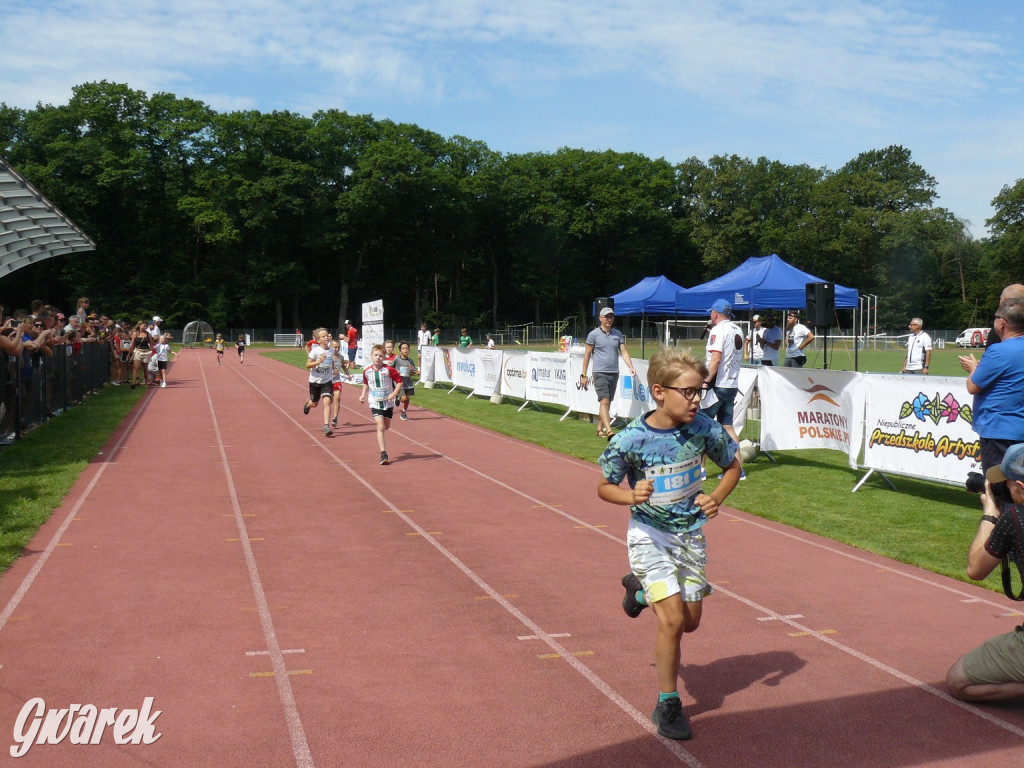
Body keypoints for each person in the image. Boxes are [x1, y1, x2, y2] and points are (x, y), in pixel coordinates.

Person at [597, 346, 741, 740]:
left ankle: (639, 594)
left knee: (690, 623)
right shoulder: (631, 440)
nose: (697, 399)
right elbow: (603, 487)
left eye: (700, 392)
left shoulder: (705, 429)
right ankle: (668, 702)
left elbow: (732, 466)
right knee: (673, 620)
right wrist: (630, 496)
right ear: (660, 392)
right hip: (648, 535)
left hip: (690, 536)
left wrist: (717, 497)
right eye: (688, 392)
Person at [946, 443, 1024, 702]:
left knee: (958, 680)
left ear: (1019, 487)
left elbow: (975, 569)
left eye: (1007, 483)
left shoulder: (1015, 517)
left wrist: (991, 514)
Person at [958, 298, 1024, 506]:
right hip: (1018, 429)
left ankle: (1003, 535)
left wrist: (974, 368)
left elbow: (973, 386)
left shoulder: (998, 351)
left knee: (1000, 495)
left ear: (1002, 323)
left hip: (998, 432)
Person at [701, 299, 745, 481]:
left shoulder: (719, 330)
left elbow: (716, 359)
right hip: (732, 384)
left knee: (702, 425)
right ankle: (738, 470)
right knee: (728, 426)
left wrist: (705, 381)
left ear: (715, 313)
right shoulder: (738, 329)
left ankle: (700, 470)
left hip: (717, 384)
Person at [581, 307, 636, 439]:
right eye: (606, 317)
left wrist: (631, 366)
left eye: (611, 317)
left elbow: (624, 351)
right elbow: (587, 355)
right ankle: (609, 430)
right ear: (600, 318)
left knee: (607, 402)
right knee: (604, 400)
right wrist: (583, 375)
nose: (609, 319)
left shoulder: (617, 334)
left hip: (614, 372)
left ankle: (599, 428)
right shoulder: (593, 334)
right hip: (600, 372)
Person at [359, 344, 404, 465]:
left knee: (387, 426)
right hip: (374, 401)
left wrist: (394, 393)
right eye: (376, 355)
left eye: (381, 356)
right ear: (371, 356)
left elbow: (399, 382)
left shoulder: (388, 370)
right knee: (380, 426)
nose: (378, 358)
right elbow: (365, 383)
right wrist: (363, 394)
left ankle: (383, 449)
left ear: (384, 357)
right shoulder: (367, 371)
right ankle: (383, 453)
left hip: (388, 402)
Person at [302, 328, 337, 437]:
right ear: (318, 340)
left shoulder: (331, 350)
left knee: (327, 401)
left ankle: (326, 426)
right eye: (323, 336)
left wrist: (334, 368)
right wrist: (319, 361)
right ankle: (308, 404)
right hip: (315, 381)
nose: (326, 337)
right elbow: (307, 365)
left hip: (327, 380)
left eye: (327, 335)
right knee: (315, 403)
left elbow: (331, 361)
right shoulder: (315, 351)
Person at [394, 341, 418, 421]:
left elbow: (413, 373)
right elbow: (391, 369)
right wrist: (396, 372)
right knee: (404, 399)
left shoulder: (410, 361)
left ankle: (404, 412)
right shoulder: (397, 360)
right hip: (400, 383)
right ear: (400, 351)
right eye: (403, 348)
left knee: (407, 399)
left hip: (408, 383)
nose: (405, 350)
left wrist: (411, 370)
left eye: (407, 348)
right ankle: (398, 398)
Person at [329, 335, 349, 429]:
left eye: (338, 347)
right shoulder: (327, 356)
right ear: (330, 347)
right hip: (327, 381)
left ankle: (335, 418)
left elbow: (344, 366)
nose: (336, 349)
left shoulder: (341, 357)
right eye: (334, 347)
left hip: (336, 380)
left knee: (337, 398)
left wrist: (348, 374)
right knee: (329, 400)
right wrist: (332, 370)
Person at [128, 321, 153, 387]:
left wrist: (150, 350)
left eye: (145, 326)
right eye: (143, 326)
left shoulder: (147, 334)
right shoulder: (135, 334)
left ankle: (146, 382)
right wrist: (129, 353)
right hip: (138, 351)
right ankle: (133, 382)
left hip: (146, 352)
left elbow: (151, 343)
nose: (145, 327)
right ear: (139, 325)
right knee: (136, 367)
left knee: (145, 368)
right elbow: (132, 344)